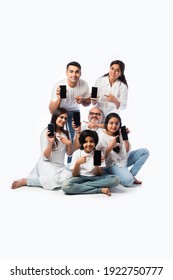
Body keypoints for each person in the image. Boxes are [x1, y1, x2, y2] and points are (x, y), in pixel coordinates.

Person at [11, 108, 72, 190]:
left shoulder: (66, 133)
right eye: (61, 117)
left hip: (60, 165)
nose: (63, 120)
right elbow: (45, 157)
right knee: (51, 180)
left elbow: (69, 154)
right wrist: (50, 142)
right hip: (47, 163)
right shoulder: (46, 133)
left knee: (70, 177)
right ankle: (26, 181)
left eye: (65, 118)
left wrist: (69, 144)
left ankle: (48, 179)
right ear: (55, 117)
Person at [97, 113, 149, 187]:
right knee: (128, 182)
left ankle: (132, 175)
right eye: (111, 123)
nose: (114, 126)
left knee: (145, 152)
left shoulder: (120, 133)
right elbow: (100, 158)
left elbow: (127, 151)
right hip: (111, 164)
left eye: (117, 123)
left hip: (122, 160)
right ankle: (123, 176)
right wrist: (110, 146)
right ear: (106, 123)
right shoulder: (101, 136)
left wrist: (125, 138)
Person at [61, 130, 120, 196]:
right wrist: (78, 163)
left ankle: (80, 187)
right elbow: (75, 175)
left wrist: (96, 164)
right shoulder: (77, 153)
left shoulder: (98, 153)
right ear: (82, 143)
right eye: (85, 142)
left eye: (91, 141)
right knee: (65, 186)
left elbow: (98, 174)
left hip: (95, 178)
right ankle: (99, 190)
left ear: (95, 142)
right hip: (80, 178)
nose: (88, 144)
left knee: (116, 179)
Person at [49, 61, 91, 143]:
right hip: (61, 111)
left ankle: (72, 155)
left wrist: (82, 101)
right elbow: (52, 111)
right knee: (55, 135)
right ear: (66, 72)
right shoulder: (59, 85)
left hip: (75, 111)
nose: (74, 75)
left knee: (75, 136)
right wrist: (59, 99)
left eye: (77, 72)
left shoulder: (84, 84)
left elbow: (88, 103)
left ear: (80, 73)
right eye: (71, 71)